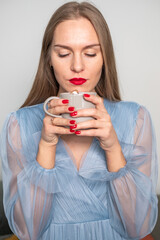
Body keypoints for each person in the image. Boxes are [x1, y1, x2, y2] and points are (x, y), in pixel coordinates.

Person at [0, 1, 158, 240]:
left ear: (105, 57)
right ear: (49, 59)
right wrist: (46, 145)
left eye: (90, 53)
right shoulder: (18, 125)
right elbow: (27, 231)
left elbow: (140, 228)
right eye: (63, 53)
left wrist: (113, 146)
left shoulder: (136, 118)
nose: (77, 66)